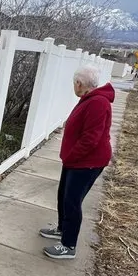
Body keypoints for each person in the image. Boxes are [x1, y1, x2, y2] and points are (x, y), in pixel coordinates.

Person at [39, 66, 115, 260]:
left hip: (87, 162)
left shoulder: (98, 102)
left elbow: (91, 138)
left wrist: (72, 157)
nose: (74, 86)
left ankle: (68, 245)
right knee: (64, 196)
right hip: (75, 160)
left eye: (75, 83)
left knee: (72, 201)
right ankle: (62, 229)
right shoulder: (89, 99)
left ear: (79, 84)